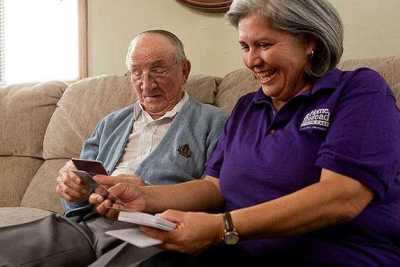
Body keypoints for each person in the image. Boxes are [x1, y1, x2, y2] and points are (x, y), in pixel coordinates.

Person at [91, 1, 400, 266]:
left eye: (264, 45)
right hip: (237, 254)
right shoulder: (247, 107)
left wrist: (220, 226)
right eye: (245, 47)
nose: (252, 60)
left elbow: (342, 198)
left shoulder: (359, 90)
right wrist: (145, 197)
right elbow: (214, 186)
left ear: (310, 42)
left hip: (336, 256)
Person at [0, 30, 227, 267]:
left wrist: (148, 193)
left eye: (158, 70)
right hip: (88, 224)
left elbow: (216, 196)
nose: (146, 84)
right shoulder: (111, 123)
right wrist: (74, 190)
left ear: (184, 70)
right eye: (136, 72)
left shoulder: (214, 122)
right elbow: (76, 202)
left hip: (154, 230)